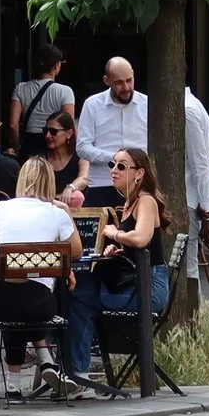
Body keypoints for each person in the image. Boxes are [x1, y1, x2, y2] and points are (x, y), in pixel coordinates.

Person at [66, 146, 172, 382]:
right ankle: (74, 370)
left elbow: (141, 238)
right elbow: (136, 245)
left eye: (121, 166)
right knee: (78, 290)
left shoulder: (146, 201)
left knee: (79, 296)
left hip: (148, 289)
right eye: (112, 164)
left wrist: (115, 234)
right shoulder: (128, 204)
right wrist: (119, 249)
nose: (114, 170)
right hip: (135, 282)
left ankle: (78, 375)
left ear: (139, 173)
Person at [0, 156, 83, 397]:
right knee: (29, 301)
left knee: (17, 300)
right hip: (39, 305)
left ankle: (13, 384)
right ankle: (47, 360)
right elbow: (76, 251)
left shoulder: (1, 208)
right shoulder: (55, 213)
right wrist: (66, 212)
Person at [74, 57, 149, 208]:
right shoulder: (92, 105)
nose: (126, 87)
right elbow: (82, 148)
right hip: (102, 184)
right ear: (107, 80)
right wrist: (115, 158)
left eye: (129, 80)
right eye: (119, 83)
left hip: (138, 184)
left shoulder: (147, 104)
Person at [9, 45, 77, 158]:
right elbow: (68, 124)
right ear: (56, 66)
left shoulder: (20, 88)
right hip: (54, 144)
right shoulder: (65, 91)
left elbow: (12, 125)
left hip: (28, 145)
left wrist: (17, 146)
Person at [183, 87, 209, 260]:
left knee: (187, 266)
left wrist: (206, 210)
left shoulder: (187, 109)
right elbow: (206, 162)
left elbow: (201, 162)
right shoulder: (194, 105)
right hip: (192, 197)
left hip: (188, 199)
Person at [37, 112, 89, 206]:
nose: (48, 136)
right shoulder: (41, 160)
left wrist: (70, 188)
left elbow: (84, 178)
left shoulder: (80, 155)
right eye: (45, 131)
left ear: (69, 133)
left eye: (53, 131)